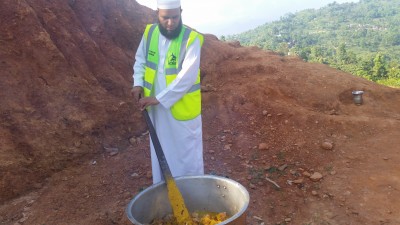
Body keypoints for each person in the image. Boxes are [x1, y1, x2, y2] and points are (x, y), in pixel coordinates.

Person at [131, 0, 204, 184]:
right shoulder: (150, 33)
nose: (170, 23)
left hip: (181, 111)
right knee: (161, 151)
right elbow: (140, 60)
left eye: (174, 17)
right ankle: (165, 193)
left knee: (187, 156)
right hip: (156, 111)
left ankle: (193, 195)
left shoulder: (191, 38)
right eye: (165, 18)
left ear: (181, 12)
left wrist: (159, 98)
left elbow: (186, 78)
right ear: (157, 14)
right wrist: (137, 83)